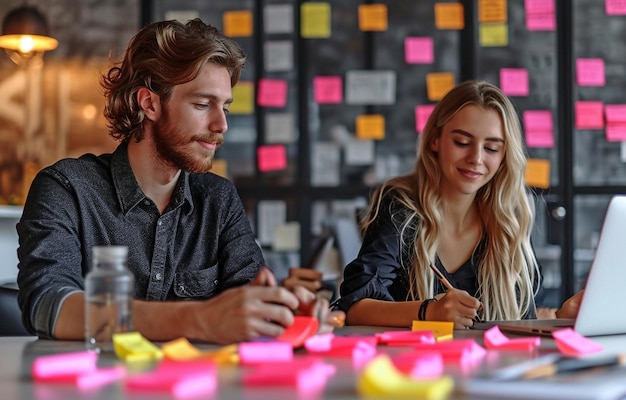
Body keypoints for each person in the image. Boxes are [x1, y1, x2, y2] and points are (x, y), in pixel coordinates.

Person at [16, 18, 344, 344]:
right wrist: (197, 319)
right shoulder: (66, 188)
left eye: (225, 108)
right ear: (150, 104)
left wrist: (284, 311)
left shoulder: (219, 198)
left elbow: (248, 299)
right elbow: (49, 307)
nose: (221, 125)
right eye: (203, 104)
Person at [336, 80, 575, 329]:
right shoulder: (402, 207)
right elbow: (355, 307)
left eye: (492, 148)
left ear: (505, 156)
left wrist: (562, 318)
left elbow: (524, 320)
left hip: (492, 366)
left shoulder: (508, 219)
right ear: (435, 140)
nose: (476, 159)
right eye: (462, 143)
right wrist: (428, 312)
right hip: (415, 365)